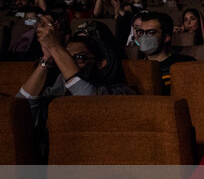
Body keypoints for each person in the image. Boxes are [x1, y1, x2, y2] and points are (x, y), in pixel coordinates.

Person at [18, 19, 136, 155]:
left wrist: (56, 48)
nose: (68, 63)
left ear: (101, 63)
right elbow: (20, 111)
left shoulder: (121, 91)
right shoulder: (56, 91)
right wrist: (47, 59)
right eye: (66, 57)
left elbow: (88, 101)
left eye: (79, 57)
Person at [136, 12, 195, 94]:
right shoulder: (135, 67)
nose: (143, 37)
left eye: (150, 32)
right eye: (141, 32)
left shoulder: (185, 64)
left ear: (166, 38)